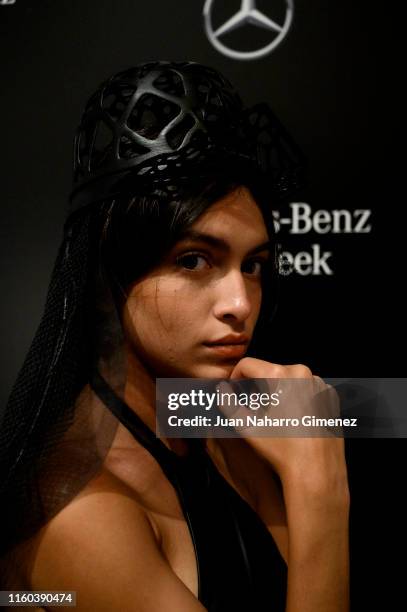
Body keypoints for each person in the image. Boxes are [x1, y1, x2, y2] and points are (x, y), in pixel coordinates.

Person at [0, 61, 350, 611]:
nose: (239, 304)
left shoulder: (223, 434)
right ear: (112, 268)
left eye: (254, 265)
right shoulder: (83, 518)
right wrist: (321, 491)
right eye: (193, 260)